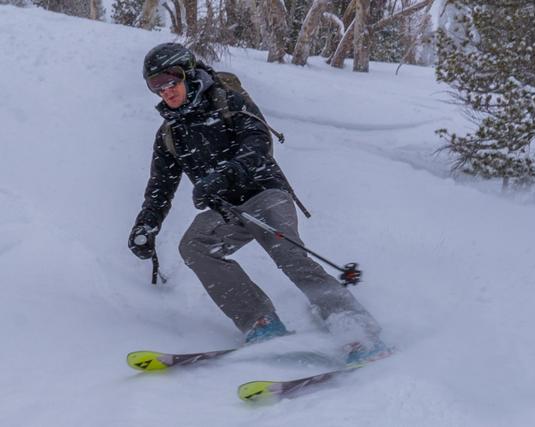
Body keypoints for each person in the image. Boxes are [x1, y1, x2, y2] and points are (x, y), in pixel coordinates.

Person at [128, 43, 388, 363]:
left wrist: (225, 176)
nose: (166, 90)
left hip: (266, 193)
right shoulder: (170, 132)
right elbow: (160, 186)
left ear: (189, 73)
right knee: (194, 245)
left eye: (171, 80)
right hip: (228, 211)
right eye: (156, 85)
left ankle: (354, 325)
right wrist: (146, 224)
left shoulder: (227, 101)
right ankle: (260, 321)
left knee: (286, 250)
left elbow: (258, 143)